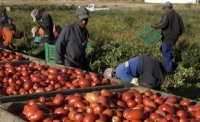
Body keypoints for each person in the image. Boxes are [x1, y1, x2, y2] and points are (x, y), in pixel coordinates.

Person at [151, 1, 184, 73]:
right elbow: (182, 28)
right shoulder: (178, 16)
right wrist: (177, 35)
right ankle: (172, 60)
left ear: (166, 7)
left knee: (165, 51)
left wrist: (154, 26)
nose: (164, 9)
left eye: (164, 8)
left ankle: (168, 71)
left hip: (168, 37)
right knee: (162, 49)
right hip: (174, 38)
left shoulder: (167, 15)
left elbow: (163, 24)